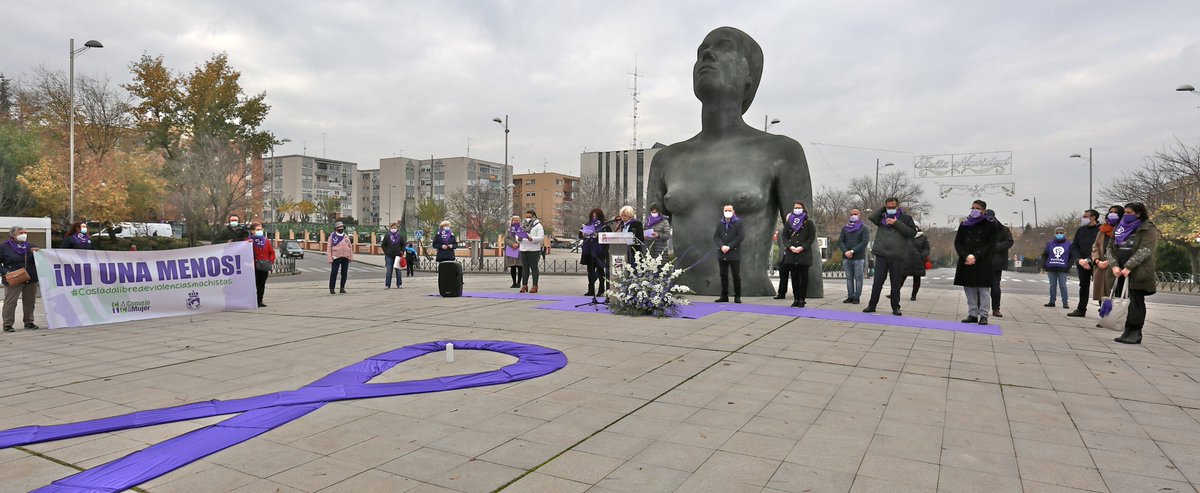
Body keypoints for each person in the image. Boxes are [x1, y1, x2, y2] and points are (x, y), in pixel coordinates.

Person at [647, 27, 816, 299]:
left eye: (723, 47)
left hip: (752, 302)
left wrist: (810, 306)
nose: (707, 55)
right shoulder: (667, 159)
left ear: (750, 75)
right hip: (678, 299)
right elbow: (650, 237)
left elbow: (804, 231)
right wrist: (644, 290)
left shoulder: (780, 152)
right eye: (700, 53)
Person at [1106, 203, 1158, 344]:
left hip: (1137, 272)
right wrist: (1114, 265)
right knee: (1124, 302)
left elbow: (1146, 249)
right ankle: (1126, 330)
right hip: (1120, 271)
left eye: (1129, 212)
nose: (1126, 215)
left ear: (1138, 213)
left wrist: (1129, 266)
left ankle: (1135, 331)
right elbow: (1110, 248)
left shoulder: (1147, 228)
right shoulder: (1119, 228)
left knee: (1136, 302)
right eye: (1125, 212)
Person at [864, 198, 917, 316]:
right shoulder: (882, 217)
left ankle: (895, 307)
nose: (891, 209)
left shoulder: (906, 218)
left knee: (895, 283)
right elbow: (872, 218)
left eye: (893, 207)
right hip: (882, 253)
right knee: (877, 281)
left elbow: (912, 233)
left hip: (897, 254)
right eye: (889, 207)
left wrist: (896, 223)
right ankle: (872, 305)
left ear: (898, 207)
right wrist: (883, 209)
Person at [955, 199, 998, 325]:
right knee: (969, 289)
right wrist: (965, 255)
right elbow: (958, 242)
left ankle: (983, 315)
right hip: (966, 260)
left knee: (983, 290)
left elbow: (991, 244)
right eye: (973, 207)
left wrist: (976, 256)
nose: (974, 210)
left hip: (982, 261)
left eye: (977, 208)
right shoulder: (964, 224)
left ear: (983, 210)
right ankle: (972, 314)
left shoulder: (989, 224)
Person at [1, 227, 40, 332]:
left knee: (30, 301)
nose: (24, 234)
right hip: (13, 277)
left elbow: (39, 260)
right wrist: (5, 272)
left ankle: (29, 322)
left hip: (31, 277)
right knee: (10, 302)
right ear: (13, 235)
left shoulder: (30, 246)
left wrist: (37, 253)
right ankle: (8, 324)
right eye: (21, 232)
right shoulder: (4, 247)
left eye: (25, 232)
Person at [1091, 205, 1125, 316]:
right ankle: (1103, 313)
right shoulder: (1102, 230)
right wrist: (1096, 260)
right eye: (1111, 212)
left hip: (1113, 266)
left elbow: (1120, 249)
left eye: (1115, 212)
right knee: (1102, 293)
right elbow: (1095, 246)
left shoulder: (1122, 230)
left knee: (1112, 292)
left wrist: (1109, 261)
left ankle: (1109, 315)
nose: (1112, 214)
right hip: (1100, 266)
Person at [780, 201, 815, 307]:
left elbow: (811, 237)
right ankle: (796, 298)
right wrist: (790, 246)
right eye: (795, 207)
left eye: (799, 207)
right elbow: (784, 236)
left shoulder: (808, 223)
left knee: (803, 278)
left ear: (803, 209)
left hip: (803, 254)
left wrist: (802, 247)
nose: (797, 209)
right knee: (794, 277)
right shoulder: (789, 223)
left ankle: (802, 299)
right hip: (792, 254)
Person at [1068, 209, 1101, 318]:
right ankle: (1081, 309)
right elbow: (1074, 246)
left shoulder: (1100, 230)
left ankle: (1104, 313)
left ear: (1093, 218)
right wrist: (1080, 260)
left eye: (1086, 216)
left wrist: (1089, 260)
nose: (1083, 218)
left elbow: (1100, 248)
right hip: (1082, 262)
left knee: (1100, 287)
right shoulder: (1081, 230)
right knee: (1083, 286)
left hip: (1096, 262)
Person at [837, 209, 870, 304]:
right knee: (849, 278)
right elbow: (841, 241)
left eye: (855, 214)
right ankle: (850, 297)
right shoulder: (845, 228)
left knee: (858, 278)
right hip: (846, 257)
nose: (853, 215)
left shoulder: (864, 228)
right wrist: (845, 251)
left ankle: (856, 297)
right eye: (851, 214)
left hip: (858, 258)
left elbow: (864, 242)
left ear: (859, 215)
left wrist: (852, 251)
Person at [714, 204, 745, 303]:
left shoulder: (739, 222)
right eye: (725, 210)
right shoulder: (720, 223)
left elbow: (740, 237)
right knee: (723, 275)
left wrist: (729, 246)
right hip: (722, 253)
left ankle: (737, 296)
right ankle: (724, 296)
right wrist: (721, 246)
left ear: (733, 211)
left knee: (736, 275)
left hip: (734, 254)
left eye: (729, 210)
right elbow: (716, 237)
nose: (727, 212)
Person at [987, 210, 1013, 318]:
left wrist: (996, 247)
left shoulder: (1003, 229)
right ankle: (981, 308)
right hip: (983, 260)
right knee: (980, 286)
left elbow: (1009, 242)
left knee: (995, 286)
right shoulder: (981, 227)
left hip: (996, 262)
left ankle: (996, 308)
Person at [580, 209, 611, 297]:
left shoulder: (605, 226)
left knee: (601, 271)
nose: (594, 218)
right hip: (589, 251)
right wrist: (583, 234)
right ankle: (591, 290)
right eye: (593, 216)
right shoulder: (588, 224)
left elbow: (609, 237)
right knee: (590, 271)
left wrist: (599, 235)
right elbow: (580, 234)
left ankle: (601, 289)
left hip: (600, 252)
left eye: (596, 216)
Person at [1043, 226, 1074, 309]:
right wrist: (1045, 265)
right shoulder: (1050, 243)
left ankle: (1065, 302)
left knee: (1063, 286)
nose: (1059, 234)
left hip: (1063, 268)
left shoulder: (1069, 244)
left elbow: (1072, 256)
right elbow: (1045, 254)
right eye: (1057, 233)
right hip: (1051, 267)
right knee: (1052, 286)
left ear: (1064, 234)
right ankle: (1052, 301)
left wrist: (1068, 265)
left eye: (1061, 233)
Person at [899, 221, 931, 301]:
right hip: (906, 261)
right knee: (901, 278)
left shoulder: (923, 237)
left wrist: (922, 256)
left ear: (917, 228)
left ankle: (914, 295)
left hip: (918, 261)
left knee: (917, 279)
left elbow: (927, 249)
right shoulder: (905, 236)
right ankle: (894, 293)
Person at [517, 211, 545, 293]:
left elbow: (541, 237)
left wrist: (532, 238)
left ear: (534, 217)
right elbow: (517, 235)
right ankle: (524, 285)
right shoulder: (522, 226)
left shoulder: (538, 225)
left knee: (534, 267)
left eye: (529, 217)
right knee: (525, 268)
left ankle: (535, 285)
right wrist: (519, 238)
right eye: (526, 217)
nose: (528, 219)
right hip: (523, 248)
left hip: (533, 249)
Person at [250, 223, 275, 307]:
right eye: (257, 230)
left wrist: (270, 261)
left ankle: (259, 300)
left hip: (264, 266)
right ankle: (252, 300)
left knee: (261, 284)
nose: (260, 231)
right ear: (252, 231)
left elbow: (271, 252)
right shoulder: (249, 241)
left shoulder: (266, 241)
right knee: (253, 284)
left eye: (261, 229)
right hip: (253, 266)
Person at [327, 221, 353, 294]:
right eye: (339, 227)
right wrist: (330, 258)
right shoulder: (332, 236)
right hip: (336, 256)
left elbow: (350, 247)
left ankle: (342, 287)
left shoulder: (346, 236)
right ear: (336, 228)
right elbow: (329, 248)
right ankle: (332, 288)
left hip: (345, 256)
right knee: (334, 273)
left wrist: (351, 256)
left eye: (342, 227)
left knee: (344, 273)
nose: (341, 228)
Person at [381, 223, 405, 289]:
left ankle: (399, 284)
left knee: (398, 271)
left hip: (398, 256)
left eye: (395, 228)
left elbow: (403, 245)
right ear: (390, 228)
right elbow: (383, 245)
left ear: (397, 229)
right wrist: (386, 252)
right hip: (389, 256)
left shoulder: (400, 237)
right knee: (389, 271)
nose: (393, 229)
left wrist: (402, 251)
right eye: (392, 228)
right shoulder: (387, 236)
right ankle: (387, 285)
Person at [504, 216, 524, 289]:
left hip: (520, 249)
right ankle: (514, 283)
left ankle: (519, 283)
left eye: (518, 220)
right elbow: (506, 239)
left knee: (520, 266)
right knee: (513, 267)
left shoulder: (521, 229)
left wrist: (518, 244)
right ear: (512, 221)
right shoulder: (509, 230)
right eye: (515, 220)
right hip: (511, 249)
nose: (516, 221)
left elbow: (523, 239)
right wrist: (512, 244)